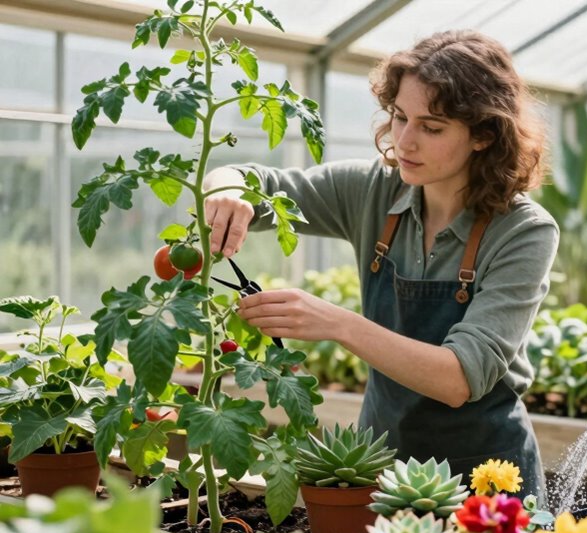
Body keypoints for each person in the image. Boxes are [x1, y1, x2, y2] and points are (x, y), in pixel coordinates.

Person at [202, 30, 557, 500]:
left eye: (431, 127)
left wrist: (336, 324)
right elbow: (256, 182)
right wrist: (225, 188)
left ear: (484, 135)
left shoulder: (523, 231)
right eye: (398, 116)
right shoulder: (375, 190)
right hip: (380, 466)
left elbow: (458, 379)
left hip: (487, 481)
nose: (404, 141)